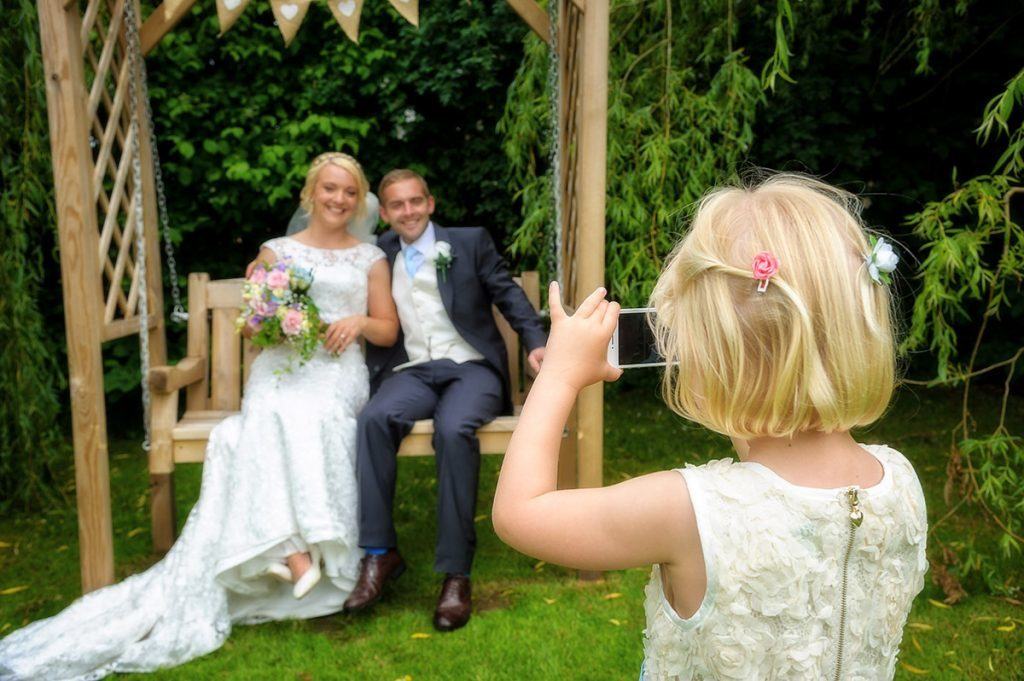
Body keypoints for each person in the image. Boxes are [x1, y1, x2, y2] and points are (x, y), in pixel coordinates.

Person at [492, 174, 928, 679]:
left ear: (713, 358)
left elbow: (519, 513)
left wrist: (559, 375)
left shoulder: (687, 511)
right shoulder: (901, 481)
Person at [0, 153, 399, 680]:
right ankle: (290, 549)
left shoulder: (369, 256)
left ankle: (286, 548)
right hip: (281, 368)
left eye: (349, 192)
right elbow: (254, 327)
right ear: (310, 193)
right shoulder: (274, 252)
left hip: (336, 374)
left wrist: (358, 322)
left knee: (312, 416)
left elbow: (388, 330)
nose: (339, 200)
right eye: (329, 189)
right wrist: (276, 322)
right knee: (265, 414)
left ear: (361, 199)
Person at [342, 169, 547, 632]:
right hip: (412, 369)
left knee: (454, 430)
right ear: (386, 212)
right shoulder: (379, 254)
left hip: (471, 368)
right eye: (397, 205)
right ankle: (379, 553)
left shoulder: (469, 241)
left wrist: (535, 340)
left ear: (430, 203)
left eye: (416, 201)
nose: (408, 211)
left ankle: (456, 572)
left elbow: (507, 293)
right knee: (373, 419)